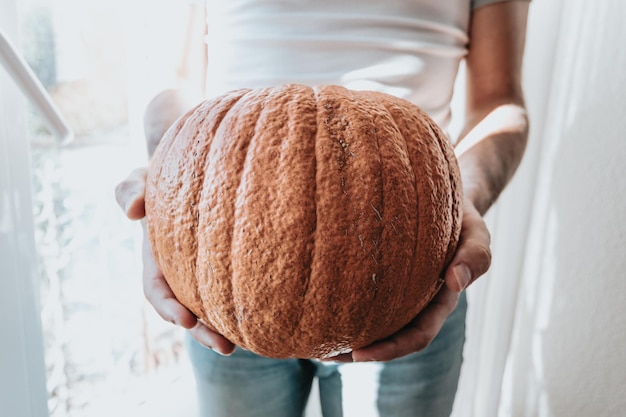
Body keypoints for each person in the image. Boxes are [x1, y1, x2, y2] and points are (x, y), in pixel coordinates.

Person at [116, 0, 530, 416]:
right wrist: (172, 186)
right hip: (223, 263)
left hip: (406, 271)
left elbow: (498, 99)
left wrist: (461, 204)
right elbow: (176, 79)